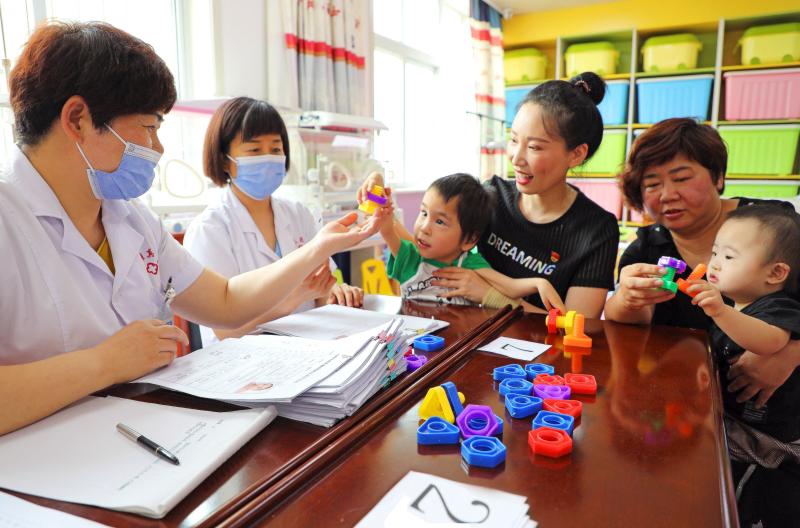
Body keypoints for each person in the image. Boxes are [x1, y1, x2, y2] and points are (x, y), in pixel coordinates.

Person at [0, 21, 382, 436]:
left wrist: (318, 247)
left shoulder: (130, 218)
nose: (158, 147)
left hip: (147, 431)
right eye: (149, 127)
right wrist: (104, 363)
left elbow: (224, 300)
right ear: (78, 119)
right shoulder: (8, 219)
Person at [605, 118, 800, 526]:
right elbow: (630, 330)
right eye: (652, 184)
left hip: (777, 424)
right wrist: (625, 299)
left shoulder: (773, 228)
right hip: (693, 415)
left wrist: (793, 349)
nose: (667, 194)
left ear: (718, 177)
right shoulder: (648, 248)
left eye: (681, 177)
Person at [360, 73, 619, 317]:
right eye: (514, 140)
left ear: (576, 154)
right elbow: (422, 244)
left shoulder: (596, 230)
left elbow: (578, 328)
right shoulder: (492, 195)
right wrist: (378, 186)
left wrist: (491, 296)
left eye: (534, 147)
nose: (516, 158)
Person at [184, 97, 364, 344]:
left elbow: (323, 289)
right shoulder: (209, 230)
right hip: (243, 357)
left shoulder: (299, 214)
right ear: (225, 160)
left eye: (276, 149)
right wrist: (296, 297)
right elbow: (225, 331)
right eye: (254, 150)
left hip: (309, 345)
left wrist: (337, 294)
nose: (268, 158)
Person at [690, 205, 800, 442]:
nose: (715, 264)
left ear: (776, 273)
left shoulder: (779, 307)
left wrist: (720, 312)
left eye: (729, 257)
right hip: (728, 416)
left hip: (763, 435)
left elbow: (770, 341)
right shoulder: (735, 305)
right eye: (714, 253)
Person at [375, 173, 564, 310]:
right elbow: (387, 227)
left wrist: (540, 283)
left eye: (440, 222)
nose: (424, 227)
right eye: (424, 213)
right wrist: (376, 183)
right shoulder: (409, 257)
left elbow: (510, 287)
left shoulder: (469, 264)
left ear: (469, 240)